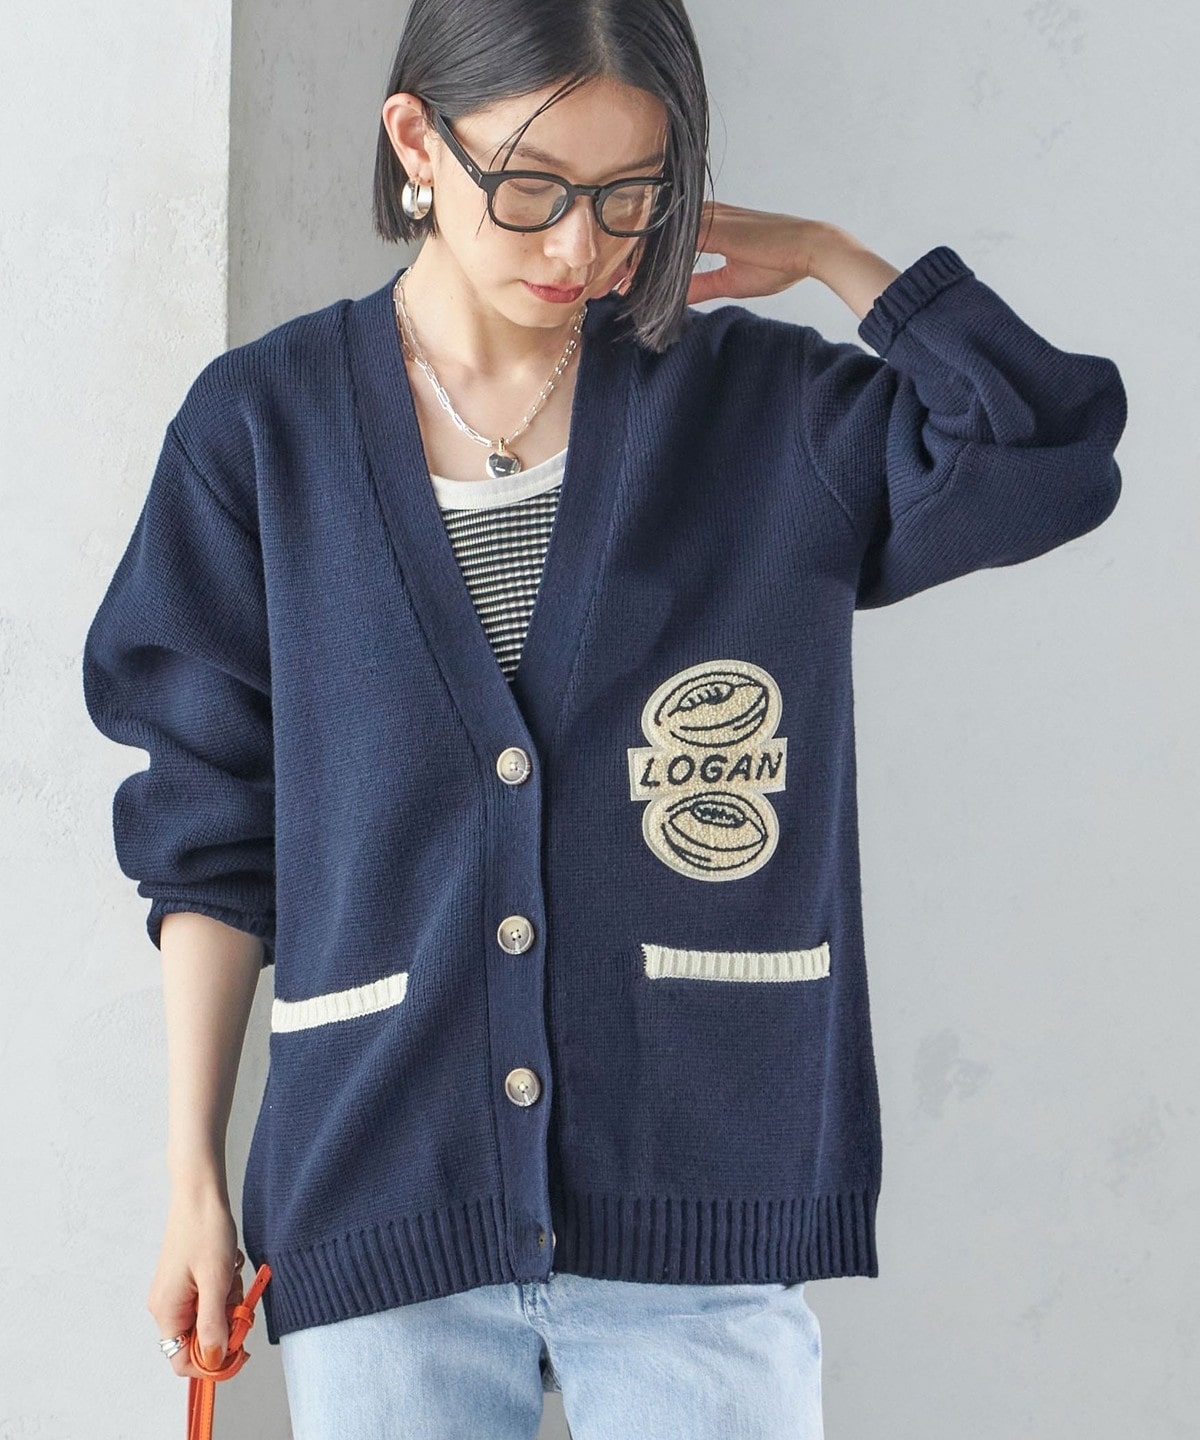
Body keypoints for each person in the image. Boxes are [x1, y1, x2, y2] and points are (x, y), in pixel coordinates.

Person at [79, 0, 1127, 1436]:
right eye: (533, 188)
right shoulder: (261, 431)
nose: (580, 246)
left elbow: (1047, 450)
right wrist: (194, 1182)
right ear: (416, 144)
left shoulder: (763, 411)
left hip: (700, 1211)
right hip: (384, 1204)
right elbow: (208, 838)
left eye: (632, 193)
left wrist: (836, 258)